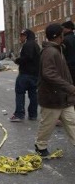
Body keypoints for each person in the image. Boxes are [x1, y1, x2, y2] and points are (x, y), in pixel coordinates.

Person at [34, 23, 75, 157]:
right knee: (48, 124)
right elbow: (48, 73)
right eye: (62, 33)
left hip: (64, 97)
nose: (64, 35)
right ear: (58, 36)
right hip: (53, 97)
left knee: (72, 122)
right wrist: (69, 87)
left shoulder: (57, 49)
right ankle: (40, 146)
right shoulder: (50, 52)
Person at [9, 29, 41, 122]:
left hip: (25, 74)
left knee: (20, 93)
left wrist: (17, 60)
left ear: (26, 36)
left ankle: (19, 114)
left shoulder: (27, 45)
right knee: (33, 95)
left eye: (22, 36)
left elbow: (27, 58)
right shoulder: (36, 45)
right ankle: (33, 114)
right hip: (35, 75)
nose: (20, 38)